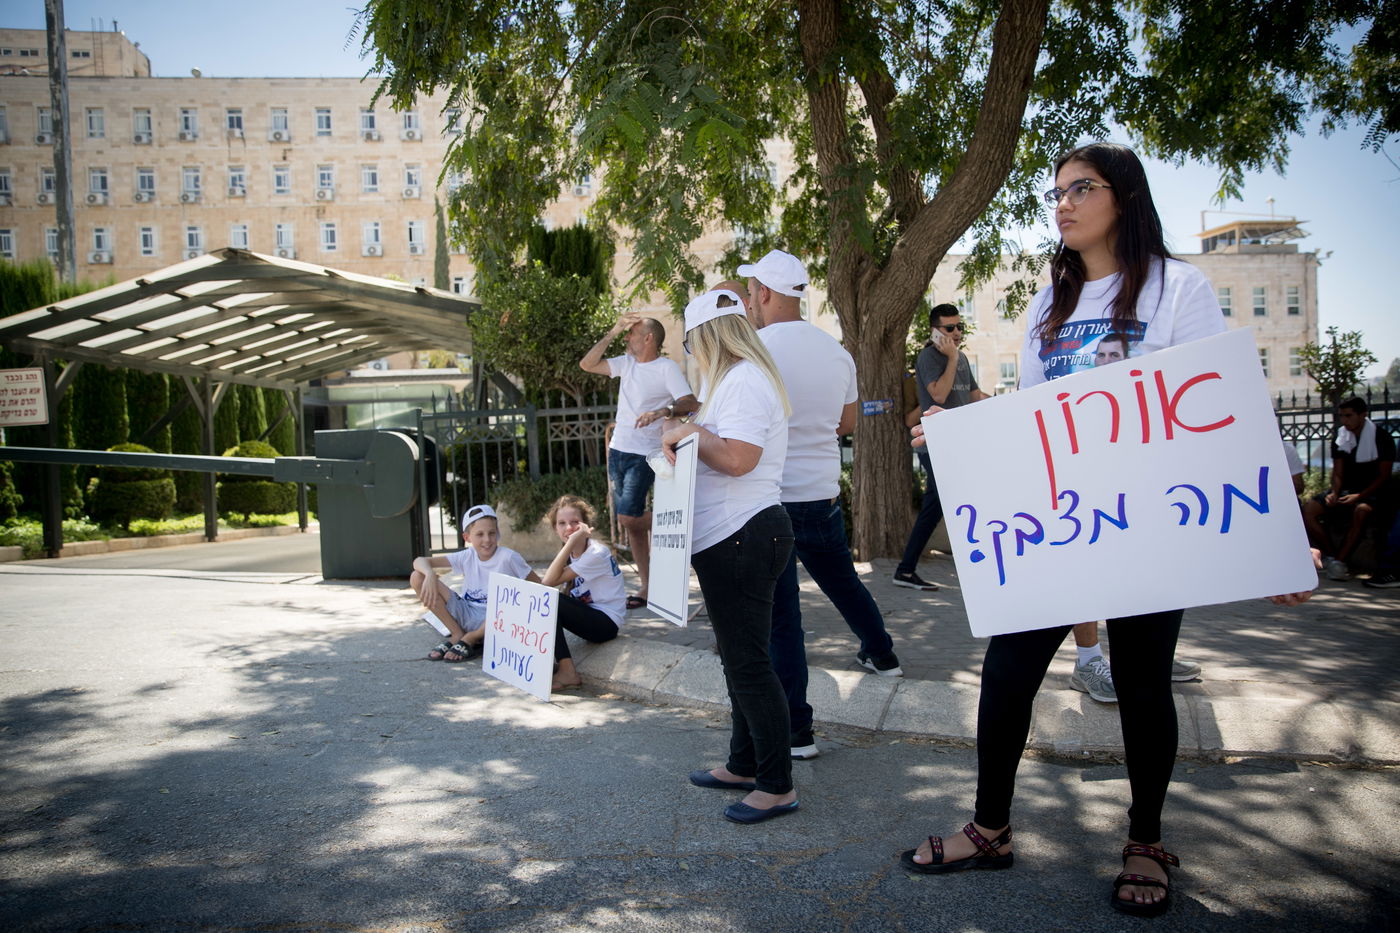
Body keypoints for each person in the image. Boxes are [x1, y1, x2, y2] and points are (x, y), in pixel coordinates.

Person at [900, 142, 1249, 917]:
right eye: (1054, 191)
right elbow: (1037, 417)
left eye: (1079, 188)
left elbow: (1212, 412)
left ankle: (1146, 839)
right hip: (1062, 523)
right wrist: (959, 429)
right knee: (1008, 670)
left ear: (1122, 196)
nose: (1061, 203)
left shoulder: (1176, 287)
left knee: (1140, 678)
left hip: (1146, 523)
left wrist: (1278, 534)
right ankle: (990, 828)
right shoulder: (1047, 302)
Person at [733, 251, 904, 761]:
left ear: (763, 293)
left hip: (773, 500)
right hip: (822, 491)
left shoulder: (755, 351)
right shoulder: (837, 352)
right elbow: (847, 423)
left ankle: (798, 732)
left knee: (784, 619)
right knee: (844, 583)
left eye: (751, 292)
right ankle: (884, 654)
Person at [661, 287, 797, 824]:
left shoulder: (742, 382)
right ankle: (744, 763)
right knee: (738, 657)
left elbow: (739, 460)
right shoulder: (736, 383)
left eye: (691, 345)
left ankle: (776, 784)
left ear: (708, 338)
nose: (692, 356)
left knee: (749, 664)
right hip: (734, 535)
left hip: (743, 534)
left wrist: (689, 430)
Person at [580, 314, 699, 607]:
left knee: (628, 516)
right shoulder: (626, 363)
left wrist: (662, 412)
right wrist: (614, 328)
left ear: (648, 338)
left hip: (644, 454)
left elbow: (689, 402)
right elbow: (587, 364)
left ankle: (681, 524)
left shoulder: (665, 368)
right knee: (631, 525)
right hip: (619, 450)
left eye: (631, 333)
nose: (627, 338)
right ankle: (647, 588)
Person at [893, 302, 989, 590]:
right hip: (934, 445)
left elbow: (973, 395)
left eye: (959, 326)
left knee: (941, 505)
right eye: (950, 328)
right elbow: (939, 394)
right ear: (935, 331)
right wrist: (951, 358)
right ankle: (906, 569)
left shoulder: (960, 358)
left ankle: (906, 569)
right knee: (941, 503)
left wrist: (1003, 401)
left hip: (960, 443)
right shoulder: (928, 358)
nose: (957, 332)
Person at [411, 504, 539, 663]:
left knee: (510, 608)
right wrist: (430, 574)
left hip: (497, 620)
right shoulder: (467, 556)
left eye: (492, 533)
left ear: (497, 533)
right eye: (480, 534)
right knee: (417, 576)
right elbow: (419, 561)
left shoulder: (508, 557)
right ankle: (457, 634)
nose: (487, 540)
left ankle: (473, 638)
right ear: (467, 537)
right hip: (467, 611)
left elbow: (540, 586)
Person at [537, 495, 627, 691]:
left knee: (549, 601)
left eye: (575, 522)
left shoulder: (596, 553)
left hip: (606, 623)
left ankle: (568, 672)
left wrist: (570, 541)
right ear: (555, 528)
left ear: (587, 526)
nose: (568, 528)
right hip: (590, 615)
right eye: (562, 523)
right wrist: (570, 544)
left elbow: (548, 582)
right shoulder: (572, 553)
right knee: (542, 602)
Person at [1301, 397, 1395, 580]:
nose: (1344, 420)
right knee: (1309, 510)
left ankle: (1340, 561)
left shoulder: (1382, 438)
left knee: (1361, 511)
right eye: (1342, 416)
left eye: (1349, 415)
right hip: (1345, 491)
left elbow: (1383, 476)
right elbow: (1338, 471)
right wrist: (1334, 492)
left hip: (1373, 493)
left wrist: (1359, 496)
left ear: (1362, 415)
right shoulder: (1341, 437)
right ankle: (1333, 556)